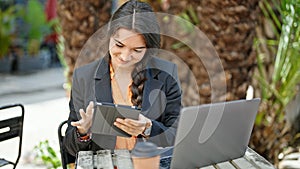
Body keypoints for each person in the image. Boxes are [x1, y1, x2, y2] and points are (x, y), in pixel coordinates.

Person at [64, 0, 182, 157]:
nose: (125, 56)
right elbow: (70, 148)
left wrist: (148, 128)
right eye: (119, 45)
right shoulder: (84, 77)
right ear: (109, 37)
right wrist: (82, 131)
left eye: (137, 50)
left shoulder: (166, 73)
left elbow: (178, 134)